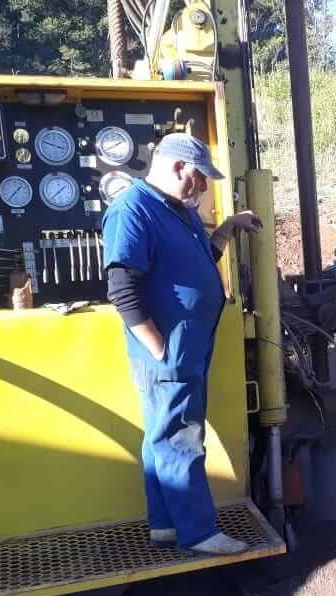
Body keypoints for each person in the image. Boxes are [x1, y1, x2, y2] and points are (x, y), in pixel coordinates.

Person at [103, 133, 261, 554]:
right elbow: (121, 286)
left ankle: (165, 525)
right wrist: (158, 347)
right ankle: (199, 533)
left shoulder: (179, 210)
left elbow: (198, 262)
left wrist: (227, 229)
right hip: (169, 353)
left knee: (162, 434)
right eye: (200, 176)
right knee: (180, 437)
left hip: (185, 349)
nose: (204, 186)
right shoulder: (133, 209)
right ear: (177, 167)